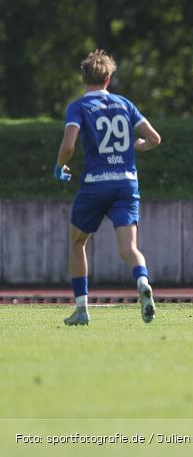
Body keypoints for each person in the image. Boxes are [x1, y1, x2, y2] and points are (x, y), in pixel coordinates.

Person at [54, 49, 162, 325]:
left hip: (95, 185)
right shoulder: (124, 104)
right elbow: (154, 139)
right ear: (108, 79)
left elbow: (68, 146)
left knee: (78, 242)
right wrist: (135, 146)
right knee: (129, 249)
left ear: (83, 79)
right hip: (127, 183)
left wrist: (59, 166)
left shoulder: (78, 107)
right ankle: (142, 281)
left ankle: (81, 309)